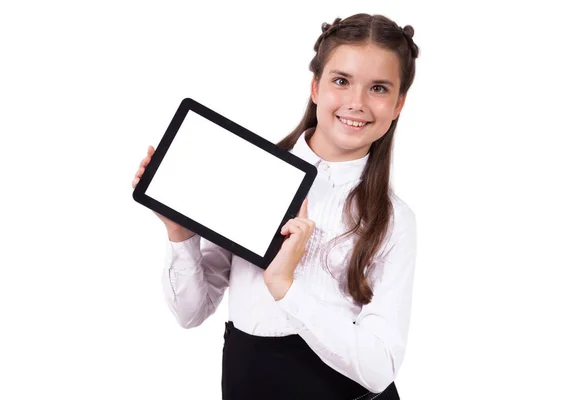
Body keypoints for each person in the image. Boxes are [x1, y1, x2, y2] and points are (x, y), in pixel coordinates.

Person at [132, 12, 419, 400]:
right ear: (316, 87)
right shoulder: (253, 174)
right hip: (249, 383)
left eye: (379, 88)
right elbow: (190, 313)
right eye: (341, 81)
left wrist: (286, 286)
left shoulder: (393, 219)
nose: (357, 102)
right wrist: (180, 235)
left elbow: (379, 368)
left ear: (398, 103)